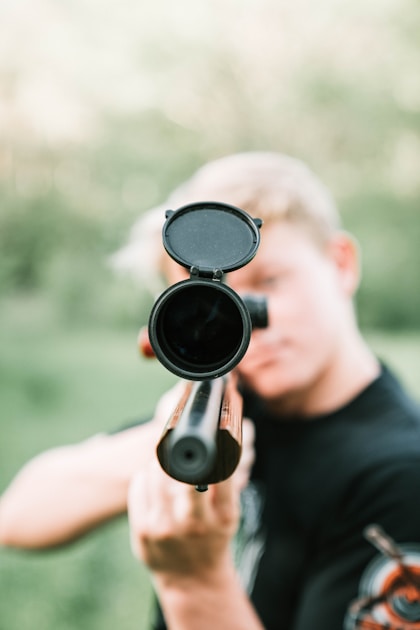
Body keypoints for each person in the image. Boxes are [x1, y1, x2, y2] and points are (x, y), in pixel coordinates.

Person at [2, 152, 420, 630]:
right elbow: (18, 516)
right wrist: (162, 452)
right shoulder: (232, 404)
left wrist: (192, 579)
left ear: (341, 264)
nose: (244, 321)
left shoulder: (403, 478)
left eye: (268, 283)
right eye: (209, 303)